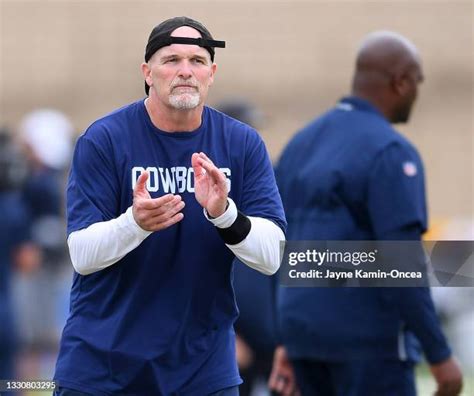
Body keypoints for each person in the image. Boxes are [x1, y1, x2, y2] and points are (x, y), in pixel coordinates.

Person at [53, 16, 286, 396]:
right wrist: (135, 223)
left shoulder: (242, 143)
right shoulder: (104, 139)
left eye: (197, 61)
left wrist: (225, 215)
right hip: (104, 369)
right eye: (171, 60)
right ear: (148, 72)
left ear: (212, 73)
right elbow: (81, 254)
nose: (185, 71)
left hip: (203, 371)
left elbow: (272, 255)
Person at [270, 31, 463, 396]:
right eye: (417, 82)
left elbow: (277, 248)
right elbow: (403, 263)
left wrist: (285, 338)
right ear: (401, 81)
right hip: (369, 345)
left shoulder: (299, 144)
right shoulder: (390, 150)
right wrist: (439, 354)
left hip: (303, 337)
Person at [216, 100, 278, 396]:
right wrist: (229, 336)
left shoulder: (266, 187)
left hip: (274, 340)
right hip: (227, 342)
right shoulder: (200, 193)